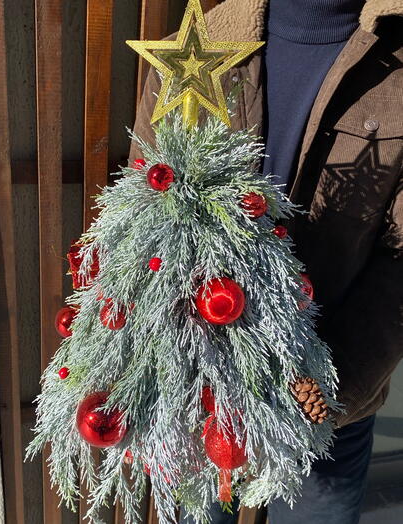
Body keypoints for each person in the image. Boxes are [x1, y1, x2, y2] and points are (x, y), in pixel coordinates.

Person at [129, 1, 403, 523]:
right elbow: (144, 211)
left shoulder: (395, 67)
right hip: (197, 395)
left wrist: (324, 388)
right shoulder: (198, 48)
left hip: (324, 406)